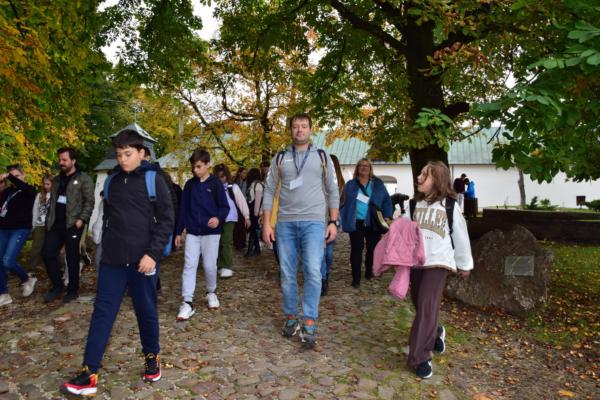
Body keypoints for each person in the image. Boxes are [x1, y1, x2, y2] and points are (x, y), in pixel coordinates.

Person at [60, 129, 174, 396]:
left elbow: (167, 219)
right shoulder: (111, 181)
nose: (123, 159)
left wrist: (152, 254)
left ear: (142, 153)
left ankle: (152, 357)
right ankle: (89, 373)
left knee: (145, 311)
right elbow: (109, 218)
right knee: (102, 313)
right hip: (112, 261)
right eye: (119, 154)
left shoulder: (154, 180)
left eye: (128, 154)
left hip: (143, 262)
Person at [262, 112, 340, 349]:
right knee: (287, 274)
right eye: (295, 126)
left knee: (313, 271)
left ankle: (309, 320)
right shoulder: (280, 158)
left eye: (304, 126)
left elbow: (333, 190)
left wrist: (333, 221)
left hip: (314, 223)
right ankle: (291, 317)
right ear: (291, 130)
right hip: (285, 223)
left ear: (310, 130)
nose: (299, 130)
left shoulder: (322, 156)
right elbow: (268, 190)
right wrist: (267, 223)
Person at [407, 161, 473, 379]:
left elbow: (460, 237)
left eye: (424, 175)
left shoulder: (450, 206)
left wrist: (464, 264)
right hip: (418, 262)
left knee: (427, 304)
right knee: (419, 303)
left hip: (439, 263)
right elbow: (404, 231)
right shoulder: (414, 205)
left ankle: (420, 357)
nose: (419, 177)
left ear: (437, 180)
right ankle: (436, 332)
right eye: (420, 173)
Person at [175, 149, 230, 320]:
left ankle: (211, 291)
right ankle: (187, 302)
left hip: (211, 233)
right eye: (193, 167)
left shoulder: (216, 184)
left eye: (199, 166)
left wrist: (218, 218)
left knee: (209, 265)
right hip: (192, 232)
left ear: (208, 165)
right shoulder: (190, 185)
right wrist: (178, 231)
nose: (195, 170)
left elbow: (225, 207)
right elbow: (183, 209)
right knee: (189, 265)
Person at [43, 147, 95, 303]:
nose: (61, 162)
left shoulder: (84, 179)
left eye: (64, 160)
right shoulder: (56, 180)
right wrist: (48, 221)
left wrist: (82, 220)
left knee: (72, 258)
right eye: (60, 160)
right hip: (56, 225)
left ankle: (73, 290)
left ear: (73, 161)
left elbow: (89, 201)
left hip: (73, 224)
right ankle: (57, 286)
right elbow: (52, 203)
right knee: (47, 254)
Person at [340, 158, 393, 288]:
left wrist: (387, 216)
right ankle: (356, 278)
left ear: (370, 169)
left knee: (372, 248)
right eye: (361, 166)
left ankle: (369, 270)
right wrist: (343, 218)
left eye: (366, 166)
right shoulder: (351, 185)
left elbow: (387, 200)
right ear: (357, 168)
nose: (364, 168)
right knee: (356, 249)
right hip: (356, 222)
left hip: (372, 222)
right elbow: (342, 202)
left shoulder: (378, 184)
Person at [0, 166, 39, 306]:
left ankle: (27, 278)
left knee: (8, 261)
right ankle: (3, 293)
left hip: (20, 229)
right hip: (4, 229)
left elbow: (24, 188)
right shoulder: (7, 192)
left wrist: (9, 176)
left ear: (24, 176)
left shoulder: (29, 190)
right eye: (12, 176)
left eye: (17, 176)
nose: (14, 179)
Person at [214, 164, 250, 278]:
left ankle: (227, 266)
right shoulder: (212, 188)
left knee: (226, 241)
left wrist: (246, 216)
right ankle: (219, 264)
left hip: (230, 218)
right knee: (217, 242)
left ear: (227, 176)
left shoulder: (233, 187)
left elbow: (241, 202)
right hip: (216, 218)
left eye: (223, 176)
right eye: (218, 176)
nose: (221, 179)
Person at [320, 154, 345, 296]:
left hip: (333, 219)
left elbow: (343, 201)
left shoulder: (340, 183)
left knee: (328, 253)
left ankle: (325, 272)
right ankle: (322, 278)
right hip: (319, 218)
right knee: (321, 252)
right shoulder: (318, 180)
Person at [30, 175, 53, 271]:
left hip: (51, 226)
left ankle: (48, 267)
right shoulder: (39, 195)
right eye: (44, 184)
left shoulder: (56, 196)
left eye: (48, 184)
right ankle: (31, 269)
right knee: (36, 248)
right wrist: (33, 225)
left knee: (49, 248)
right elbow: (35, 211)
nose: (45, 186)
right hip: (40, 225)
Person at [245, 168, 263, 257]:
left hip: (254, 211)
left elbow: (258, 200)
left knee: (253, 230)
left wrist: (256, 213)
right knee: (252, 230)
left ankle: (250, 251)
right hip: (251, 210)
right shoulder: (253, 184)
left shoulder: (258, 185)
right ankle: (257, 249)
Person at [232, 167, 248, 250]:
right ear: (239, 173)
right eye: (244, 173)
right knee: (238, 225)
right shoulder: (236, 183)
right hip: (237, 205)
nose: (245, 174)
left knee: (241, 225)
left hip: (243, 204)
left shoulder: (245, 182)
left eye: (246, 173)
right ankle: (238, 243)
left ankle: (241, 243)